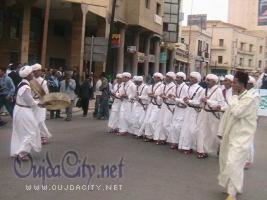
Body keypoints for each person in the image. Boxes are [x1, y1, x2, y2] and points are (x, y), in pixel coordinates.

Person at [218, 71, 258, 200]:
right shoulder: (238, 97)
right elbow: (227, 115)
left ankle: (232, 194)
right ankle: (234, 187)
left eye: (234, 82)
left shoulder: (250, 98)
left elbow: (237, 112)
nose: (232, 84)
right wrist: (221, 132)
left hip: (242, 137)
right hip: (230, 134)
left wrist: (234, 98)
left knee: (233, 163)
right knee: (226, 161)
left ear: (242, 84)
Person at [10, 65, 42, 161]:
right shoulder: (25, 87)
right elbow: (30, 101)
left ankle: (17, 150)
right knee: (31, 131)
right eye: (31, 73)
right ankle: (22, 152)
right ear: (28, 75)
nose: (33, 74)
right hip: (24, 110)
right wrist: (39, 103)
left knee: (19, 131)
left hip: (19, 109)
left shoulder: (22, 83)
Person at [196, 74, 225, 158]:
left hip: (213, 114)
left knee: (214, 133)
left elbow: (220, 104)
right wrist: (201, 101)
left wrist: (208, 101)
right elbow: (199, 102)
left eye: (209, 80)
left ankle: (221, 149)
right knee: (202, 131)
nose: (207, 82)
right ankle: (202, 151)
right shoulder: (204, 90)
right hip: (204, 112)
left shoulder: (218, 90)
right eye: (207, 80)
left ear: (214, 82)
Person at [179, 72, 203, 154]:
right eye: (190, 77)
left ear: (196, 79)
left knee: (192, 129)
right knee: (185, 128)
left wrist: (189, 101)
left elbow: (199, 103)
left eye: (192, 78)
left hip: (194, 111)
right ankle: (185, 146)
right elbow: (184, 99)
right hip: (187, 110)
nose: (190, 79)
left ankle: (191, 146)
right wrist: (183, 101)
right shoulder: (188, 88)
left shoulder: (200, 89)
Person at [140, 73, 164, 141]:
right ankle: (149, 136)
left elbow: (161, 96)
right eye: (154, 77)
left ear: (160, 78)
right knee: (147, 121)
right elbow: (148, 94)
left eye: (157, 77)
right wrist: (150, 95)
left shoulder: (162, 86)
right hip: (151, 105)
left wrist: (155, 96)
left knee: (152, 121)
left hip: (157, 105)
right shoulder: (151, 86)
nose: (155, 78)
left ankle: (155, 135)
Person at [31, 63, 52, 144]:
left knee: (40, 121)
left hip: (40, 103)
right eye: (35, 71)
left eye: (38, 71)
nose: (37, 73)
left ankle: (43, 136)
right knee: (32, 121)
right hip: (32, 103)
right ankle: (35, 136)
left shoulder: (43, 82)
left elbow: (45, 93)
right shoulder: (30, 80)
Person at [153, 72, 176, 145]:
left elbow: (174, 98)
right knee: (160, 122)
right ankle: (162, 138)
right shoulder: (164, 86)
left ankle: (171, 139)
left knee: (167, 123)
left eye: (168, 77)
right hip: (163, 105)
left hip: (169, 106)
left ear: (172, 78)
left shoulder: (174, 87)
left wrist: (166, 97)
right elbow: (159, 95)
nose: (166, 78)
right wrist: (160, 97)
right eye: (166, 76)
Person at [167, 72, 188, 149]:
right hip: (177, 108)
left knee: (178, 126)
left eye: (178, 78)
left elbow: (185, 100)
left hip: (182, 110)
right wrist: (173, 97)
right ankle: (174, 142)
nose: (176, 79)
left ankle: (179, 142)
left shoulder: (185, 87)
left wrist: (175, 98)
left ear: (182, 79)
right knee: (173, 125)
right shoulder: (178, 87)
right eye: (176, 77)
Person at [244, 76, 261, 170]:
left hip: (250, 120)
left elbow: (253, 109)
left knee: (249, 141)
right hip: (245, 120)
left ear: (250, 84)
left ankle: (248, 160)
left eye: (246, 83)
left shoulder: (255, 95)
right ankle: (244, 159)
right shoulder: (246, 93)